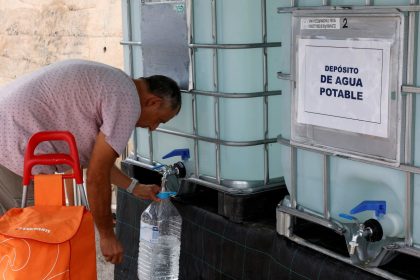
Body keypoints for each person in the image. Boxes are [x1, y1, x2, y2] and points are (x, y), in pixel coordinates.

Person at [0, 59, 181, 264]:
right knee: (28, 247)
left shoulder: (116, 83)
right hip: (12, 145)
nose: (154, 127)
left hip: (8, 132)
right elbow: (96, 175)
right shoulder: (128, 102)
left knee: (10, 244)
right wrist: (106, 235)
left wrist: (134, 187)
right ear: (153, 102)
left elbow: (97, 161)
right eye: (159, 120)